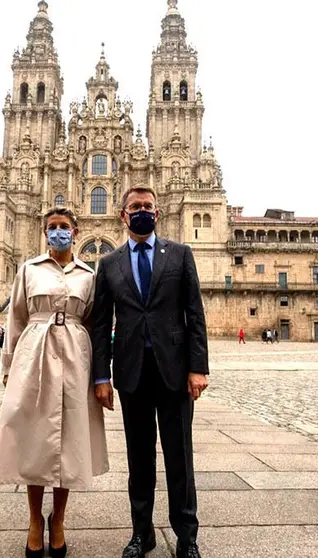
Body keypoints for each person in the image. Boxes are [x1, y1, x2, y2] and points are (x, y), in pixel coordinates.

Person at [91, 186, 208, 558]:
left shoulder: (179, 254)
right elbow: (100, 323)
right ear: (122, 215)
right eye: (134, 206)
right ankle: (142, 533)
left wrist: (197, 368)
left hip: (174, 371)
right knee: (138, 457)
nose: (141, 211)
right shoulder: (109, 263)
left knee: (180, 457)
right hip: (132, 373)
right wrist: (101, 376)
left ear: (157, 213)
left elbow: (195, 314)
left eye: (147, 206)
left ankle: (187, 537)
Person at [0, 207, 108, 558]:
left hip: (74, 355)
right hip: (34, 354)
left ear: (75, 230)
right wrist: (7, 366)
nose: (59, 232)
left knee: (68, 443)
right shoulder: (29, 269)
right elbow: (16, 318)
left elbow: (96, 322)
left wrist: (100, 373)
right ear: (44, 232)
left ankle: (59, 520)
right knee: (35, 439)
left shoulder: (89, 274)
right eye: (53, 227)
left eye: (65, 227)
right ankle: (34, 521)